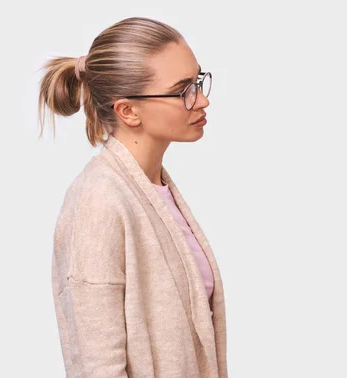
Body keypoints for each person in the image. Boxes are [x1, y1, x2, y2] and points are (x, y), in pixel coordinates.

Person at [38, 17, 227, 378]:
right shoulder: (98, 202)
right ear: (128, 111)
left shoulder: (155, 190)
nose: (201, 99)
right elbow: (99, 366)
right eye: (183, 89)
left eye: (199, 81)